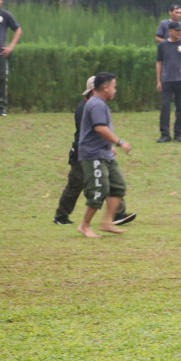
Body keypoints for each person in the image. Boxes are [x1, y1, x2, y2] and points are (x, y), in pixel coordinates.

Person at [53, 76, 135, 227]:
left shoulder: (96, 104)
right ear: (94, 90)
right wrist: (115, 143)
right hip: (82, 152)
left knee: (109, 180)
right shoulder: (85, 107)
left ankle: (118, 213)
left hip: (96, 150)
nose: (113, 90)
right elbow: (91, 131)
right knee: (76, 185)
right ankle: (61, 216)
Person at [77, 72, 133, 238]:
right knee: (99, 189)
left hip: (104, 153)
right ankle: (84, 225)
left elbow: (102, 130)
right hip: (93, 155)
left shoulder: (100, 104)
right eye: (114, 87)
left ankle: (107, 222)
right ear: (105, 87)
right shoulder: (96, 104)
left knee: (118, 186)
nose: (115, 90)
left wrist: (109, 146)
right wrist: (119, 142)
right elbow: (100, 128)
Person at [156, 21, 181, 143]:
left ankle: (178, 134)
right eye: (177, 30)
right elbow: (159, 63)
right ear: (170, 31)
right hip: (167, 80)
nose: (179, 33)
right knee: (165, 107)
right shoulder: (162, 45)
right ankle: (165, 134)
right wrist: (158, 80)